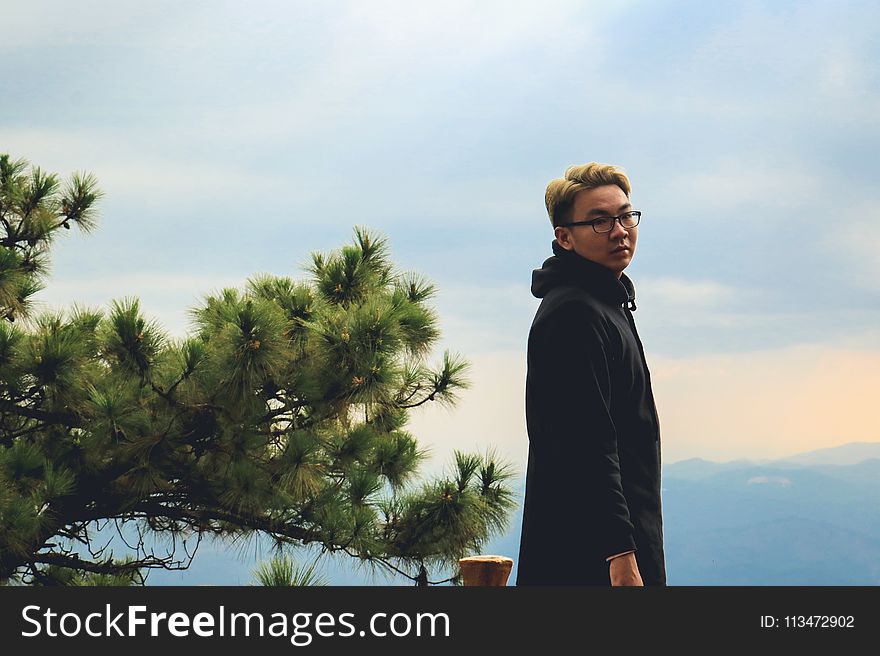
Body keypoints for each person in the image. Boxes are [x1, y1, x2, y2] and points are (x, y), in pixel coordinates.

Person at [515, 162, 666, 586]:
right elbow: (586, 444)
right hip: (590, 558)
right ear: (565, 237)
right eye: (599, 221)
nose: (619, 230)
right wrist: (620, 554)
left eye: (625, 215)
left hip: (617, 543)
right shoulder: (574, 315)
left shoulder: (605, 304)